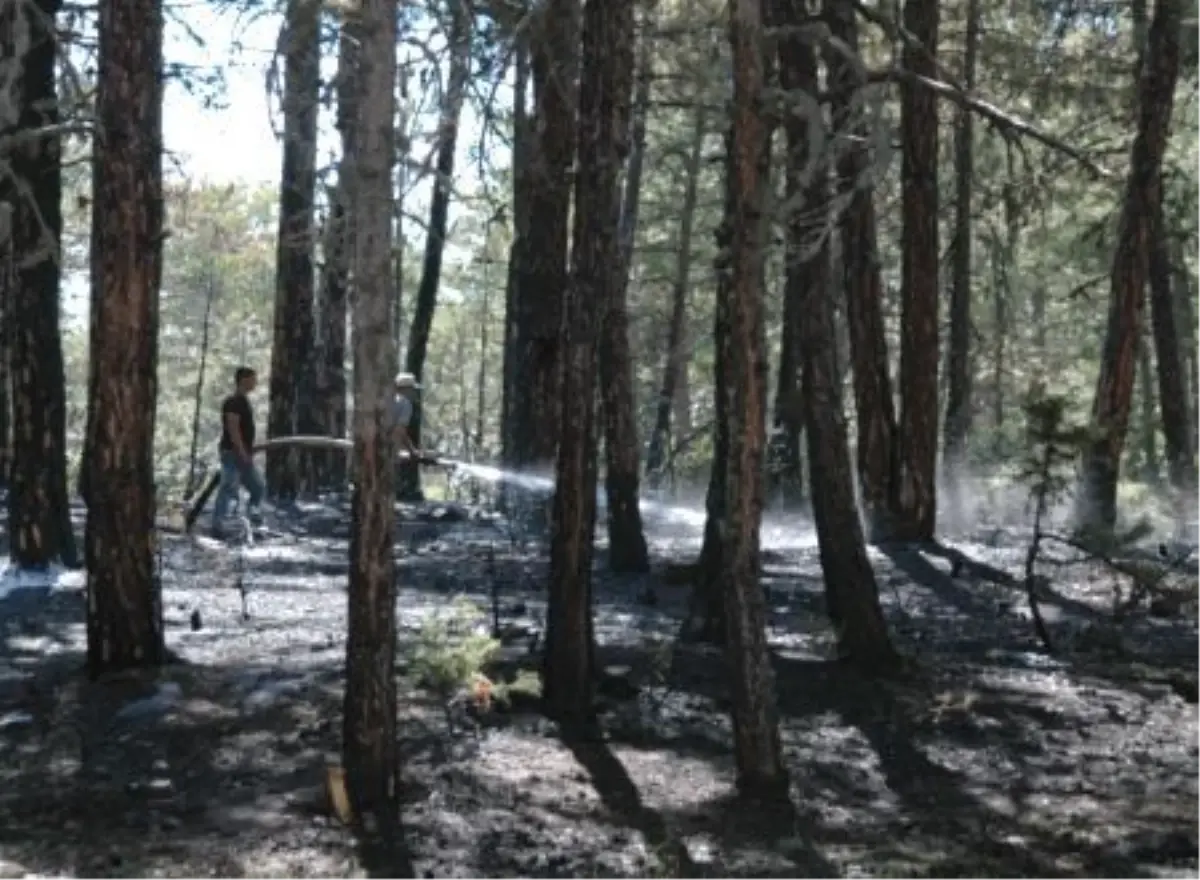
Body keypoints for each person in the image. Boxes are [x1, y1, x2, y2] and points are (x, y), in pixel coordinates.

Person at [212, 366, 266, 535]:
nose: (255, 383)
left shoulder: (243, 401)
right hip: (232, 453)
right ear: (243, 380)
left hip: (243, 453)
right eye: (253, 379)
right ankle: (220, 524)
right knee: (229, 487)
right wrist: (241, 452)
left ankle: (250, 518)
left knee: (258, 486)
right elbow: (233, 429)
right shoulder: (233, 402)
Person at [390, 371, 423, 460]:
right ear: (406, 389)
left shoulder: (389, 399)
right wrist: (412, 450)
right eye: (413, 390)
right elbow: (399, 430)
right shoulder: (406, 404)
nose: (415, 393)